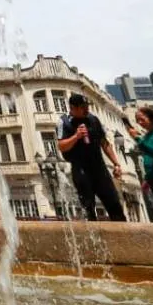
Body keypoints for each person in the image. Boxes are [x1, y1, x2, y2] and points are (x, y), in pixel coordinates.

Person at [56, 93, 127, 221]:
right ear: (73, 108)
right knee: (88, 209)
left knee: (115, 206)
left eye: (87, 106)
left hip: (100, 169)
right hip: (80, 170)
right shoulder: (63, 122)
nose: (87, 109)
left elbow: (104, 143)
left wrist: (116, 164)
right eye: (83, 107)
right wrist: (76, 136)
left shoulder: (93, 119)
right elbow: (61, 146)